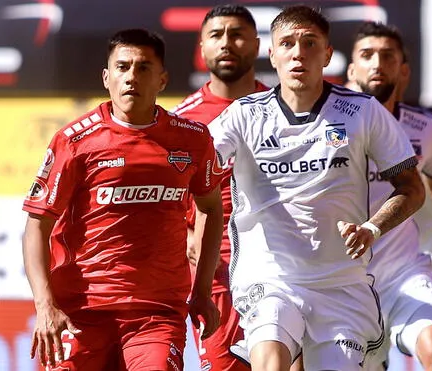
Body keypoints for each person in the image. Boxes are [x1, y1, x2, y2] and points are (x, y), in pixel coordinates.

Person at [208, 6, 426, 371]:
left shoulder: (363, 111)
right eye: (288, 44)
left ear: (327, 54)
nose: (298, 53)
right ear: (271, 54)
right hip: (269, 276)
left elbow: (412, 188)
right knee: (270, 361)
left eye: (310, 43)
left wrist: (372, 228)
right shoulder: (243, 115)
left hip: (340, 284)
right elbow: (196, 171)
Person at [21, 29, 224, 370]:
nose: (132, 77)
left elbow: (211, 208)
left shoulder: (192, 139)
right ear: (106, 77)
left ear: (162, 79)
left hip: (155, 313)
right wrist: (45, 305)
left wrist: (202, 290)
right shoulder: (74, 141)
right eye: (123, 67)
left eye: (144, 68)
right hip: (80, 312)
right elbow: (36, 226)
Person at [347, 21, 432, 370]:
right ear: (350, 69)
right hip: (340, 282)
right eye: (367, 55)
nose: (377, 63)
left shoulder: (427, 129)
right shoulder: (325, 125)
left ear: (403, 70)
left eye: (387, 56)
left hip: (405, 273)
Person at [172, 5, 267, 371]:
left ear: (257, 46)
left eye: (238, 34)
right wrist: (186, 242)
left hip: (282, 268)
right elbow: (167, 199)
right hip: (216, 274)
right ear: (202, 47)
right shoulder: (180, 121)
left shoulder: (282, 110)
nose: (227, 43)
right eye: (216, 35)